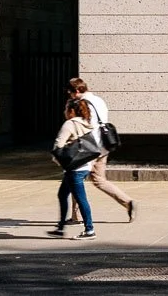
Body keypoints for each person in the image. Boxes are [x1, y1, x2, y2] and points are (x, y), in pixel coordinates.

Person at [67, 75, 137, 223]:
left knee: (76, 177)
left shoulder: (82, 103)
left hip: (89, 146)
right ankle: (128, 202)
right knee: (99, 179)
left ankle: (77, 217)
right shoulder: (99, 100)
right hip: (103, 146)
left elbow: (83, 126)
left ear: (78, 90)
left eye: (71, 92)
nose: (71, 95)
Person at [49, 95, 100, 237]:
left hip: (74, 168)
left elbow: (58, 145)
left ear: (71, 110)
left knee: (81, 198)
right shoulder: (86, 123)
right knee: (62, 194)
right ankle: (60, 228)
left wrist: (58, 159)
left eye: (66, 108)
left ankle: (90, 229)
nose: (64, 111)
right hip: (84, 165)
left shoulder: (70, 124)